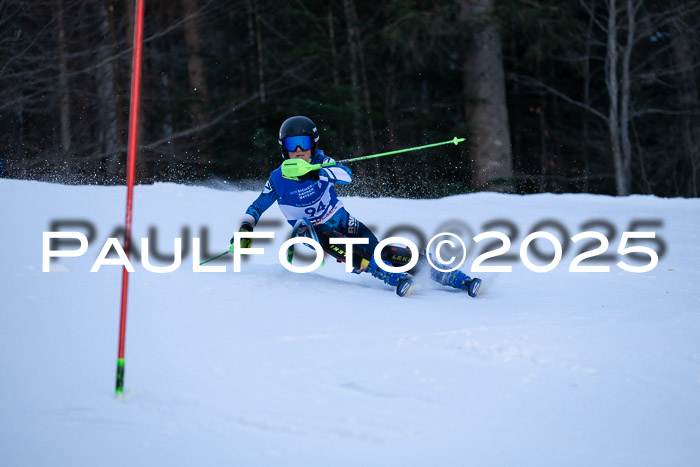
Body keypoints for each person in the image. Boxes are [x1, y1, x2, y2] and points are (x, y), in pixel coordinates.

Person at [232, 115, 481, 297]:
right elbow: (256, 208)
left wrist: (317, 174)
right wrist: (245, 228)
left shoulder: (321, 162)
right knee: (328, 239)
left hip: (340, 217)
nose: (298, 151)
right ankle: (383, 274)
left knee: (380, 251)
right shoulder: (277, 179)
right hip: (310, 231)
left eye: (304, 144)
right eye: (291, 145)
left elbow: (346, 175)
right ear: (283, 149)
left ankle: (440, 272)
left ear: (314, 145)